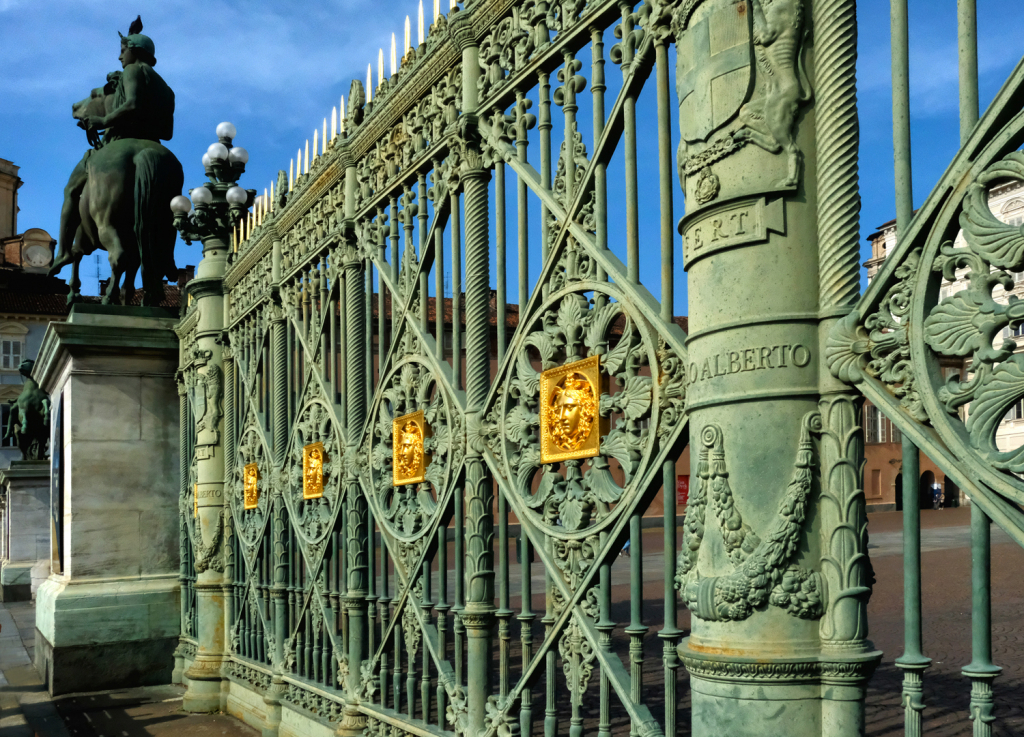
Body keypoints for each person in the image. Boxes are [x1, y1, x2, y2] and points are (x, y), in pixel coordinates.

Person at [51, 17, 175, 276]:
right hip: (158, 146)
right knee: (168, 211)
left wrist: (102, 120)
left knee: (71, 190)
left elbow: (131, 104)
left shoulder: (133, 71)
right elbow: (168, 132)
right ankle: (167, 259)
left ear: (134, 51)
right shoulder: (167, 90)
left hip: (120, 141)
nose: (120, 58)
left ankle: (63, 251)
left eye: (122, 51)